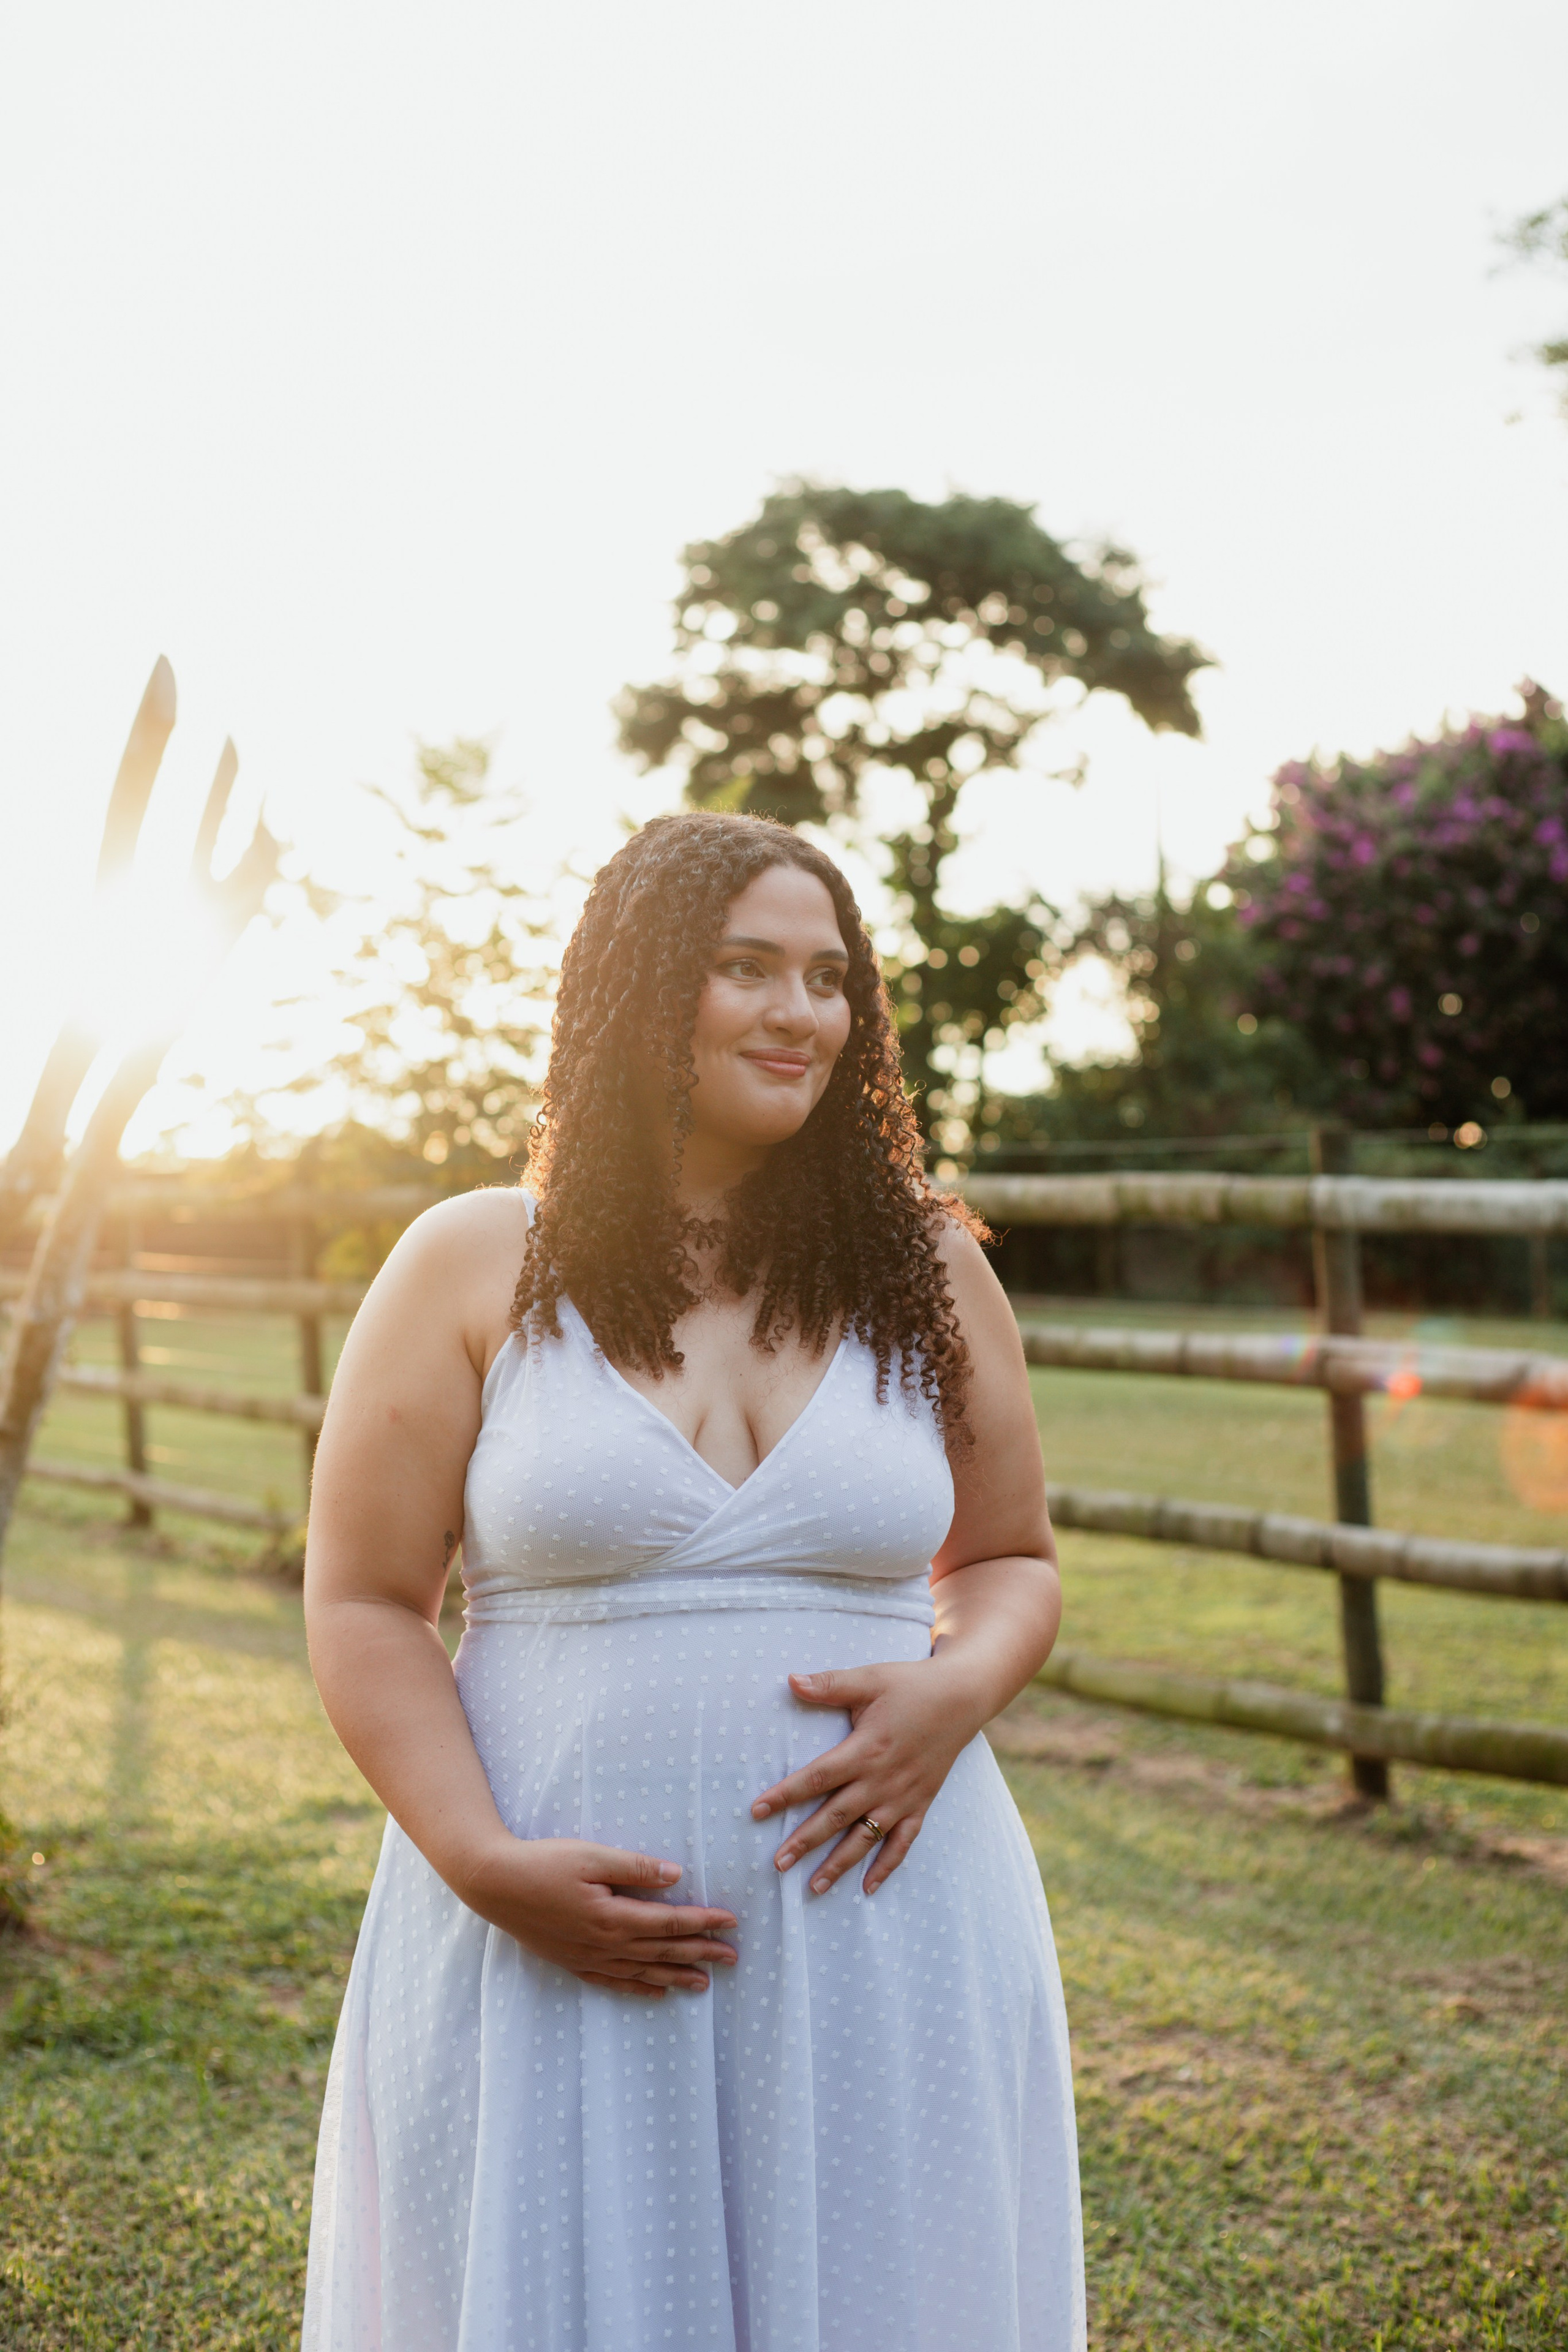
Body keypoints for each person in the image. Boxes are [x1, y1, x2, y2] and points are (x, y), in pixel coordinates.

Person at [300, 810, 1084, 2352]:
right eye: (746, 969)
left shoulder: (925, 1267)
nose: (800, 1013)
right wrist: (476, 1858)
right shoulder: (476, 1261)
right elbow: (365, 1601)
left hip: (889, 1923)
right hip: (542, 1929)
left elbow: (1005, 1560)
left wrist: (958, 1688)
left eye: (827, 977)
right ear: (644, 991)